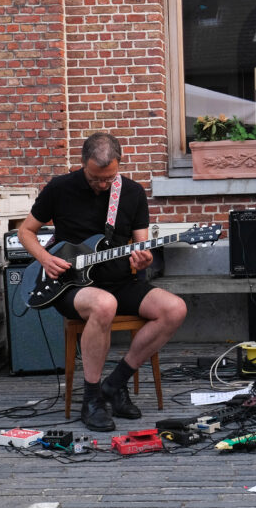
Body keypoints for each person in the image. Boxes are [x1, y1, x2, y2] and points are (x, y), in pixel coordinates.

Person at [17, 133, 187, 432]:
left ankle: (116, 382)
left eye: (109, 178)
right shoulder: (60, 188)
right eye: (96, 178)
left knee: (175, 309)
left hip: (120, 280)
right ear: (83, 163)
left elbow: (141, 246)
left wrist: (143, 259)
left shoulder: (132, 192)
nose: (103, 184)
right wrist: (45, 259)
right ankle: (92, 399)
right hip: (72, 285)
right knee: (104, 304)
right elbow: (25, 232)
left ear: (119, 165)